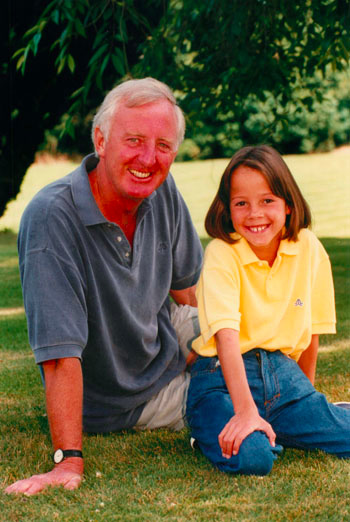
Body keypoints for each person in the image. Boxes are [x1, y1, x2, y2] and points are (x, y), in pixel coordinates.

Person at [5, 77, 203, 495]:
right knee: (241, 400)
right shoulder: (51, 219)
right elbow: (60, 356)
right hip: (128, 397)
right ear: (100, 139)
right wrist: (68, 461)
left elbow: (189, 291)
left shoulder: (162, 190)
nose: (149, 158)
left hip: (166, 339)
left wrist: (207, 347)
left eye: (163, 146)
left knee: (253, 353)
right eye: (134, 140)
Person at [186, 145, 350, 476]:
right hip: (221, 376)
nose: (254, 214)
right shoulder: (222, 253)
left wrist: (308, 397)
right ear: (227, 208)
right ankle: (210, 430)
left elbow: (312, 332)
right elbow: (226, 339)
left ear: (288, 204)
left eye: (267, 201)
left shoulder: (309, 249)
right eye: (241, 203)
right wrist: (245, 411)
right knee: (254, 458)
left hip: (283, 377)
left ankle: (305, 419)